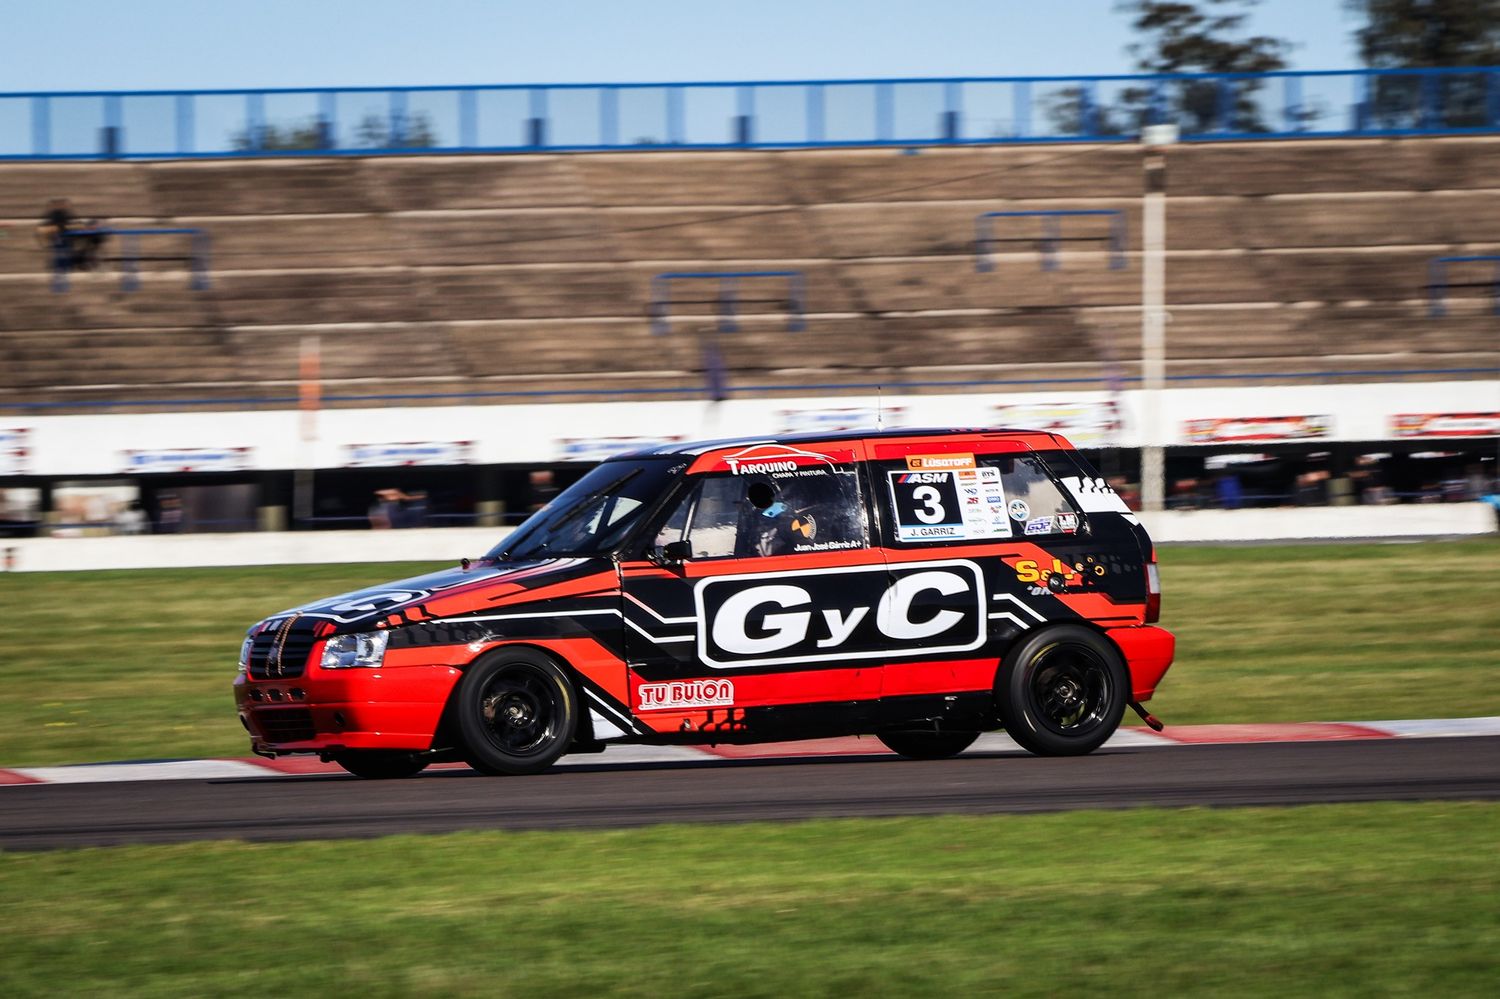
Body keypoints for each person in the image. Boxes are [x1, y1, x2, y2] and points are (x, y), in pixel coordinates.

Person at [35, 198, 107, 273]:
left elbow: (74, 222)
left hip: (69, 235)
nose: (65, 206)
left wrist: (83, 226)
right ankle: (81, 260)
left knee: (93, 237)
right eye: (63, 204)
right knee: (89, 237)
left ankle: (83, 259)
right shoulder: (54, 215)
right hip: (62, 237)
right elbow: (50, 228)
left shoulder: (66, 213)